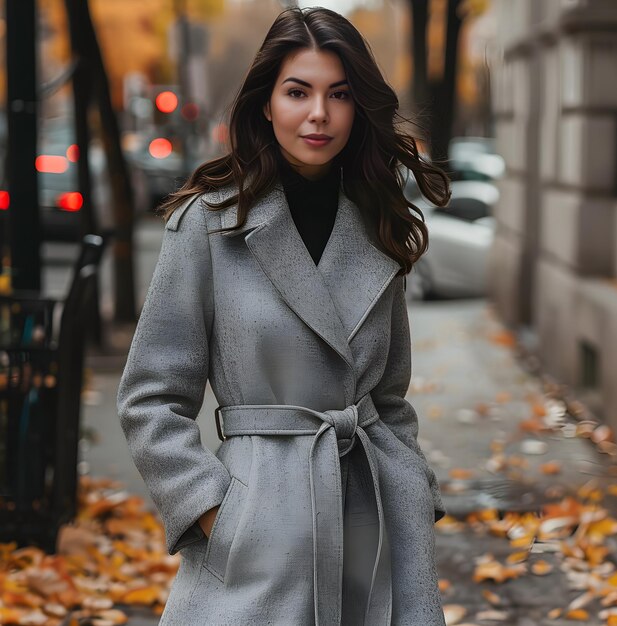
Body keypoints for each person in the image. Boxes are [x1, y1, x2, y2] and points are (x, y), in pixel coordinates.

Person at [117, 6, 451, 625]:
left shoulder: (381, 225)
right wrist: (217, 514)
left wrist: (411, 492)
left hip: (374, 527)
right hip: (260, 538)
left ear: (358, 108)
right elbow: (150, 397)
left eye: (339, 94)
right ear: (266, 104)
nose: (319, 113)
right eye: (298, 92)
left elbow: (392, 399)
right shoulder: (210, 224)